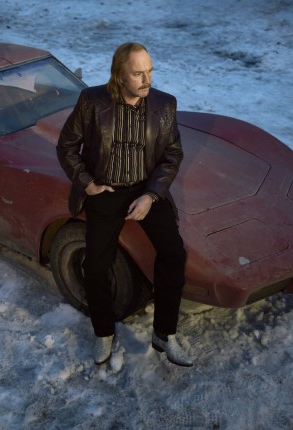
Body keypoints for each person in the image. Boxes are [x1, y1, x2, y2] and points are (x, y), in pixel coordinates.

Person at [56, 42, 192, 367]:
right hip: (105, 190)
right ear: (119, 75)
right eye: (138, 73)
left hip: (147, 190)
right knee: (96, 266)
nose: (147, 80)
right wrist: (89, 184)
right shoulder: (91, 101)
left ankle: (164, 334)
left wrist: (151, 195)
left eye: (150, 71)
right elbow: (67, 146)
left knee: (174, 255)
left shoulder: (164, 105)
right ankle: (104, 332)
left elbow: (172, 155)